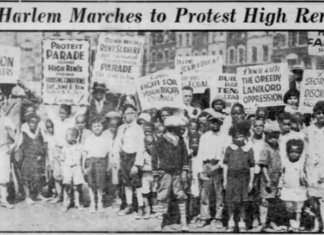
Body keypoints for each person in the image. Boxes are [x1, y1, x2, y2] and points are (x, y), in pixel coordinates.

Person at [152, 116, 190, 231]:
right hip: (165, 173)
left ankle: (183, 222)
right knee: (162, 196)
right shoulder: (161, 140)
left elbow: (185, 157)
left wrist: (184, 171)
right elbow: (155, 157)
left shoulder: (181, 140)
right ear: (172, 128)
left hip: (178, 172)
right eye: (179, 128)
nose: (181, 130)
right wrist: (156, 172)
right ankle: (159, 222)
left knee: (180, 195)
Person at [112, 104, 145, 216]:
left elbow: (141, 146)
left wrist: (137, 164)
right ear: (123, 115)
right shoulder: (121, 128)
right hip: (124, 158)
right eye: (127, 113)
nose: (130, 115)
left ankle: (141, 207)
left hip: (134, 158)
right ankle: (129, 205)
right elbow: (117, 144)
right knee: (126, 183)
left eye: (132, 113)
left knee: (137, 183)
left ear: (135, 114)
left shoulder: (138, 128)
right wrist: (117, 160)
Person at [223, 120, 255, 232]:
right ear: (233, 137)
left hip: (244, 179)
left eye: (241, 136)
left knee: (243, 202)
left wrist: (251, 181)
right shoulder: (229, 148)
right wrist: (225, 180)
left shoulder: (249, 149)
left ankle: (242, 221)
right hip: (232, 178)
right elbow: (225, 165)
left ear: (245, 136)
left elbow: (252, 166)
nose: (238, 139)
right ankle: (231, 221)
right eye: (236, 136)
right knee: (231, 202)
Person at [195, 112, 225, 229]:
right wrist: (200, 171)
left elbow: (225, 156)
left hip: (218, 167)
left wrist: (217, 166)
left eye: (217, 122)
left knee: (219, 194)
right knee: (204, 194)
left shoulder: (225, 137)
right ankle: (204, 216)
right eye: (212, 122)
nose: (215, 124)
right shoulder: (204, 136)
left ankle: (218, 218)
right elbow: (200, 154)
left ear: (220, 123)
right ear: (209, 123)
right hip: (206, 166)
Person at [259, 122, 284, 231]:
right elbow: (263, 166)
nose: (273, 139)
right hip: (267, 180)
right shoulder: (265, 149)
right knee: (265, 202)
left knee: (273, 202)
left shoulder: (277, 148)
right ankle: (263, 224)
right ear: (266, 136)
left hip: (276, 179)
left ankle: (272, 222)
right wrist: (268, 180)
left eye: (276, 137)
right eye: (271, 137)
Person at [83, 117, 111, 213]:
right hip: (91, 162)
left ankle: (100, 203)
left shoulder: (106, 139)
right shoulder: (89, 139)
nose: (97, 128)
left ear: (103, 126)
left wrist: (109, 164)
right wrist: (84, 166)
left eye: (99, 125)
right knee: (91, 184)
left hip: (101, 161)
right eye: (94, 126)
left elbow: (109, 153)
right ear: (91, 128)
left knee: (100, 184)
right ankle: (92, 203)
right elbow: (85, 153)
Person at [279, 139, 307, 232]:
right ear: (287, 152)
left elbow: (303, 176)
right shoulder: (285, 163)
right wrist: (280, 187)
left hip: (299, 189)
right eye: (291, 152)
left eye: (297, 152)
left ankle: (297, 225)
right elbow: (282, 176)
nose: (294, 154)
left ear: (300, 153)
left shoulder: (301, 163)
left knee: (298, 209)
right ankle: (291, 224)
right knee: (289, 208)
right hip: (287, 189)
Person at [304, 101, 324, 232]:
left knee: (323, 198)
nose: (321, 115)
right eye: (318, 113)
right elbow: (305, 150)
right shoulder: (308, 130)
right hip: (312, 168)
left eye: (323, 113)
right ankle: (317, 222)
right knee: (313, 199)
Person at [19, 113, 47, 205]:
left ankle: (38, 194)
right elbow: (19, 144)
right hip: (28, 158)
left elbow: (44, 143)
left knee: (38, 177)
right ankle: (27, 196)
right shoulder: (24, 132)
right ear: (28, 123)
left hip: (37, 157)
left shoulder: (39, 132)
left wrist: (42, 154)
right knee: (26, 177)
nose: (33, 124)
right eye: (31, 122)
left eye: (35, 123)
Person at [60, 128, 84, 213]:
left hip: (77, 167)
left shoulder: (80, 146)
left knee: (76, 186)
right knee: (67, 186)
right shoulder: (65, 147)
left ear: (74, 137)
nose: (65, 137)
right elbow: (62, 159)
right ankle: (66, 202)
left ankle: (77, 202)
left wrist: (82, 168)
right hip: (67, 167)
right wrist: (62, 170)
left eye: (67, 135)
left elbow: (82, 158)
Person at [135, 135, 157, 219]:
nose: (151, 146)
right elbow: (140, 166)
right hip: (146, 176)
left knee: (155, 193)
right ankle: (147, 210)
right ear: (145, 145)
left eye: (152, 144)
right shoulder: (143, 154)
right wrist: (152, 168)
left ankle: (155, 211)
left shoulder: (157, 153)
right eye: (149, 144)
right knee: (145, 194)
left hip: (155, 177)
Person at [250, 117, 266, 228]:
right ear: (253, 127)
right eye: (256, 126)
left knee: (264, 195)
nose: (258, 128)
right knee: (254, 195)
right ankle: (255, 218)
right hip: (253, 170)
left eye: (261, 126)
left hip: (264, 170)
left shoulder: (266, 139)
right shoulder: (249, 140)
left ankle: (264, 220)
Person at [187, 132, 200, 225]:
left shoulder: (202, 155)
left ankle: (198, 214)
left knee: (199, 197)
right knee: (192, 197)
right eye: (192, 143)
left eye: (197, 142)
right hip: (191, 178)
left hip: (199, 178)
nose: (194, 145)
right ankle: (192, 214)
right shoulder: (189, 156)